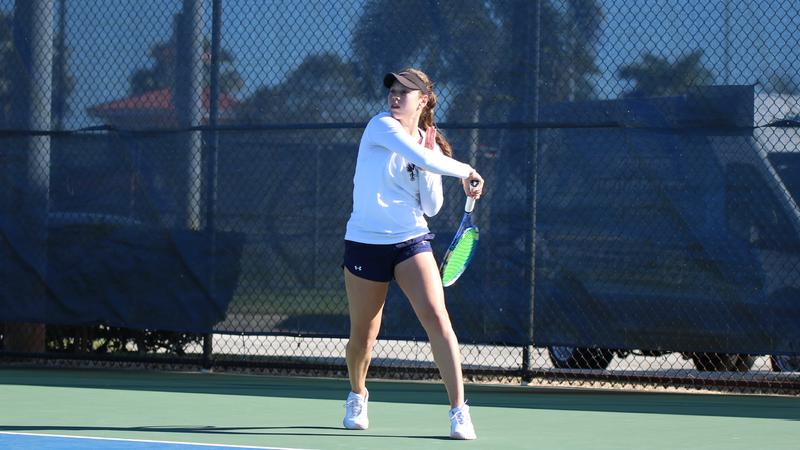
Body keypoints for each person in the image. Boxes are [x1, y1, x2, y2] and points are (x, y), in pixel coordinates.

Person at [341, 68, 484, 440]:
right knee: (363, 337)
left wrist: (428, 161)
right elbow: (416, 155)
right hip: (364, 242)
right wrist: (465, 169)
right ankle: (357, 394)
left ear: (423, 100)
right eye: (392, 88)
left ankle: (459, 411)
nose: (395, 95)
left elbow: (433, 206)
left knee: (438, 318)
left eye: (406, 91)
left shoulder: (429, 145)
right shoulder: (380, 126)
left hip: (410, 240)